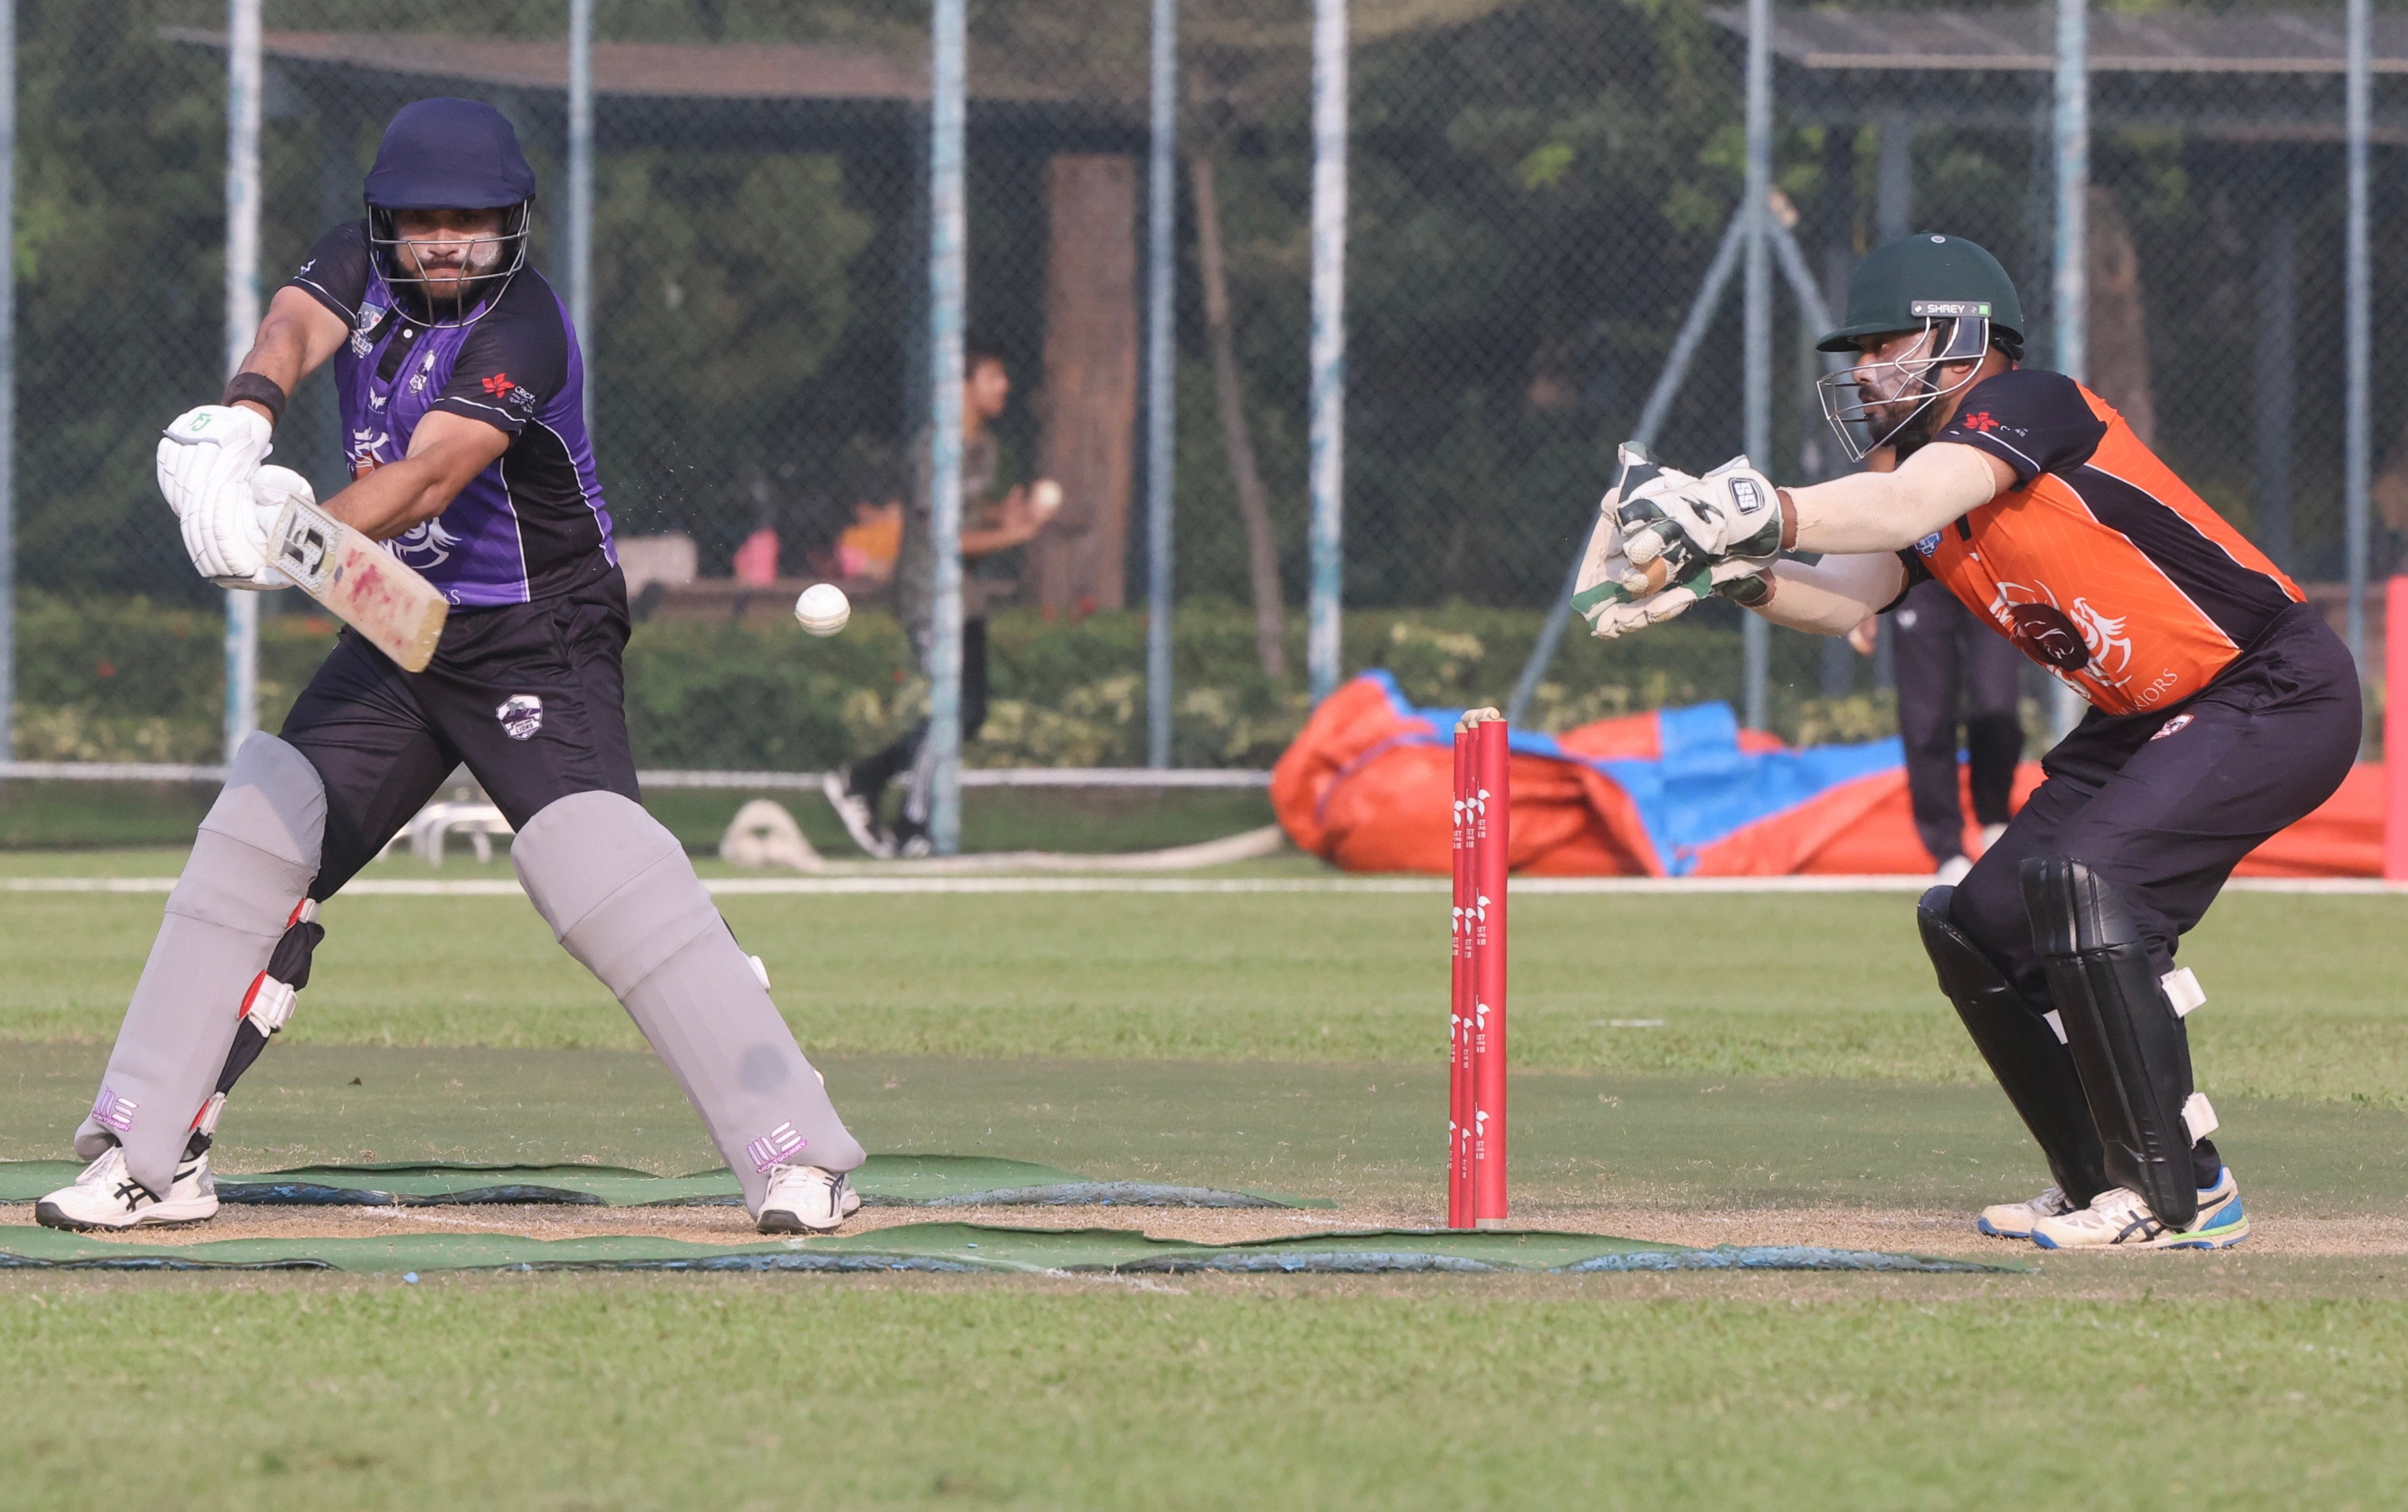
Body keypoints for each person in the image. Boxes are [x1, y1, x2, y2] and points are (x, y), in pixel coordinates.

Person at [39, 99, 865, 1236]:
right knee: (255, 843)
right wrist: (242, 422)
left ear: (510, 224)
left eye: (469, 224)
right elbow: (289, 328)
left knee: (598, 870)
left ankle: (802, 1154)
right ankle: (151, 1153)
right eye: (421, 221)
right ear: (384, 223)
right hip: (395, 619)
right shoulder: (353, 263)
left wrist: (291, 534)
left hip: (542, 629)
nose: (443, 244)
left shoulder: (525, 326)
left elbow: (433, 478)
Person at [1587, 232, 2357, 1249]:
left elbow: (1904, 503)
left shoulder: (2031, 404)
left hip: (2272, 684)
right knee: (1979, 922)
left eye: (1884, 341)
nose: (1864, 368)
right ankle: (2101, 1178)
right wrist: (1727, 573)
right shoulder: (1922, 469)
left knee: (2093, 882)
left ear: (1964, 340)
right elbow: (1844, 599)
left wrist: (1742, 509)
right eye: (1858, 350)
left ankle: (2184, 1194)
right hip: (2149, 715)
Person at [823, 342, 1054, 858]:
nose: (1005, 387)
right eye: (993, 377)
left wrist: (1005, 515)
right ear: (964, 388)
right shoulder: (935, 448)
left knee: (970, 712)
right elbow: (945, 536)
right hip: (929, 597)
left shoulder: (984, 447)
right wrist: (1015, 537)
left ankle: (865, 779)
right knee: (955, 709)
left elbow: (969, 514)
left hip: (964, 598)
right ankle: (912, 825)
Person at [1851, 577, 2026, 884]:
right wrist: (1863, 592)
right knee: (1927, 719)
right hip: (1921, 567)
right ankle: (1948, 851)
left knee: (1997, 706)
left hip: (1988, 566)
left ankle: (1995, 820)